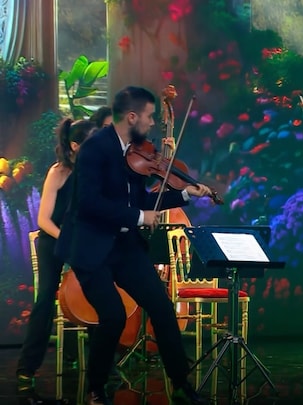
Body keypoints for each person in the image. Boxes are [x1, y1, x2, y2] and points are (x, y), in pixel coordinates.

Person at [56, 86, 211, 405]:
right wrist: (140, 216)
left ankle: (181, 385)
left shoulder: (136, 152)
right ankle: (96, 390)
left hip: (124, 245)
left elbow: (143, 199)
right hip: (92, 246)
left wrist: (183, 194)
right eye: (150, 116)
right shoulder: (95, 149)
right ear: (131, 117)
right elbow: (88, 204)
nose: (153, 123)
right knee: (112, 315)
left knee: (161, 307)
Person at [16, 118, 95, 389]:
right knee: (46, 297)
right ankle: (27, 368)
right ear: (75, 145)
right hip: (54, 240)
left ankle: (96, 364)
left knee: (97, 292)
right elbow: (44, 220)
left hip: (79, 242)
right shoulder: (58, 172)